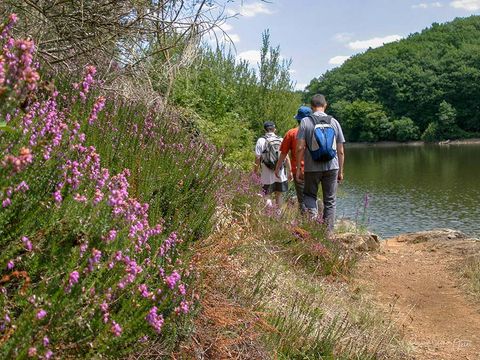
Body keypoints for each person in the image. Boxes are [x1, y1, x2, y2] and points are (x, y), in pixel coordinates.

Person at [296, 94, 345, 233]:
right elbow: (341, 151)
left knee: (310, 195)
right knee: (330, 201)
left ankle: (313, 226)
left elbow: (300, 147)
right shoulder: (334, 122)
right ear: (326, 105)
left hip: (312, 167)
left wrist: (299, 168)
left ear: (311, 107)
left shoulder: (305, 122)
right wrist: (340, 171)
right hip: (332, 166)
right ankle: (328, 233)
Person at [274, 106, 312, 212]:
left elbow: (283, 153)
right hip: (316, 169)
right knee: (312, 196)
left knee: (302, 199)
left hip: (299, 171)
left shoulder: (291, 133)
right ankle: (315, 220)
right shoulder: (316, 131)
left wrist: (277, 168)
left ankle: (306, 223)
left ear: (298, 119)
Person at [254, 121, 289, 207]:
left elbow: (258, 158)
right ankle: (278, 214)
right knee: (279, 194)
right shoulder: (281, 140)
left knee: (267, 194)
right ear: (274, 129)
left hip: (267, 171)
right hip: (280, 171)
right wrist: (290, 171)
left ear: (264, 129)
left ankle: (269, 214)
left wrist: (255, 170)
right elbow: (286, 157)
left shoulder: (261, 140)